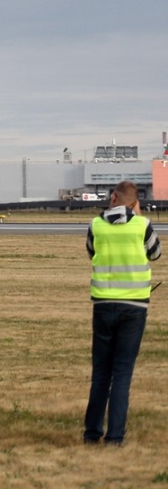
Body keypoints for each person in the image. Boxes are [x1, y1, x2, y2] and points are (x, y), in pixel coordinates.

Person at [84, 180, 161, 445]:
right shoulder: (142, 225)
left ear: (114, 197)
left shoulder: (96, 224)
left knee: (101, 373)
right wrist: (137, 216)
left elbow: (91, 251)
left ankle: (92, 433)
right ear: (135, 202)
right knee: (122, 373)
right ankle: (115, 436)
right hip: (134, 306)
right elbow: (156, 254)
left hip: (103, 303)